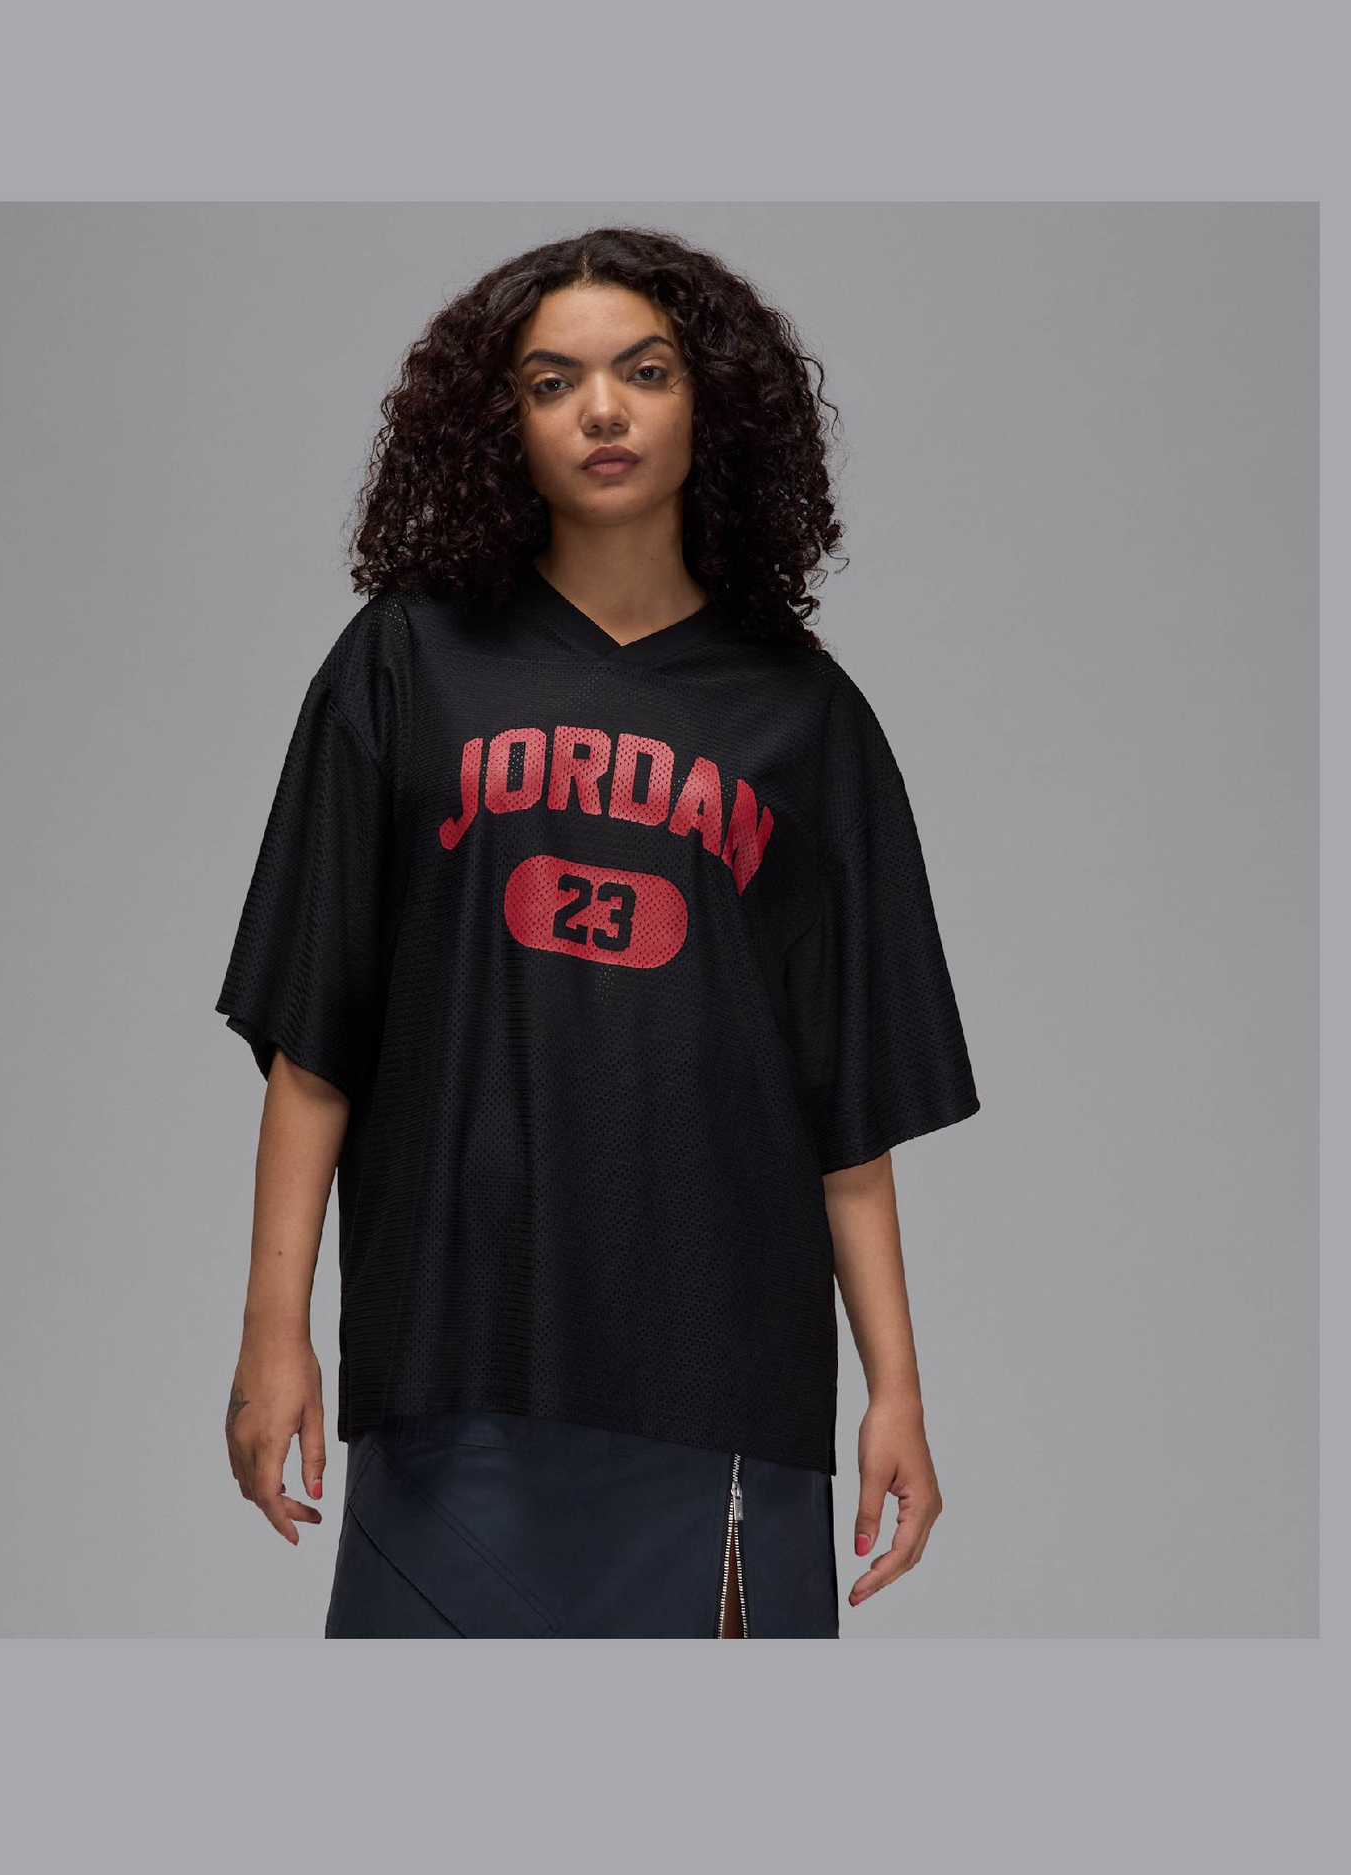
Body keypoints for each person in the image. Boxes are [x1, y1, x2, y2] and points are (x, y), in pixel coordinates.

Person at [215, 226, 981, 1638]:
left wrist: (898, 1392)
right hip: (456, 1354)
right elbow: (316, 1041)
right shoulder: (404, 663)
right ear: (497, 422)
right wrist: (276, 1333)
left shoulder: (805, 718)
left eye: (646, 371)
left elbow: (844, 1108)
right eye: (552, 381)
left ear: (714, 403)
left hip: (722, 1379)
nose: (603, 410)